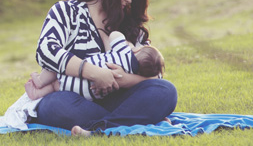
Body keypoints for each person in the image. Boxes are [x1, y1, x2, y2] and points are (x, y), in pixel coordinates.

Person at [27, 0, 177, 136]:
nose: (129, 0)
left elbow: (154, 75)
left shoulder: (127, 21)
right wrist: (94, 72)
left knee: (166, 91)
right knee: (54, 106)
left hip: (118, 99)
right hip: (73, 98)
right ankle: (137, 120)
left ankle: (100, 129)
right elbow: (46, 51)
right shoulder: (66, 11)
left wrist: (123, 79)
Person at [24, 30, 165, 101]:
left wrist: (129, 45)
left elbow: (115, 35)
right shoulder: (138, 68)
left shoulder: (125, 51)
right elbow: (157, 77)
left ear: (138, 50)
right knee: (57, 89)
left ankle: (40, 82)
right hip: (86, 94)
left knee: (58, 65)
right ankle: (38, 93)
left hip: (74, 79)